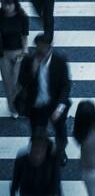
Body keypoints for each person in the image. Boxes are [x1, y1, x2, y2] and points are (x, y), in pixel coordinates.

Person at [16, 33, 71, 166]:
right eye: (38, 49)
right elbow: (21, 82)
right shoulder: (29, 61)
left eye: (43, 50)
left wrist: (60, 107)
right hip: (36, 106)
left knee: (60, 130)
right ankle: (38, 154)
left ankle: (61, 151)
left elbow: (65, 86)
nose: (40, 53)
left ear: (49, 48)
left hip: (54, 105)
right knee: (37, 132)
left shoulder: (59, 61)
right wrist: (32, 72)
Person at [0, 0, 29, 117]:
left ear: (14, 4)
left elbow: (24, 36)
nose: (5, 7)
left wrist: (24, 51)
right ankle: (13, 108)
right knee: (8, 83)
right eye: (3, 4)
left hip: (18, 53)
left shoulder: (22, 17)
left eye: (8, 4)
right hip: (3, 53)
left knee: (18, 82)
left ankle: (20, 104)